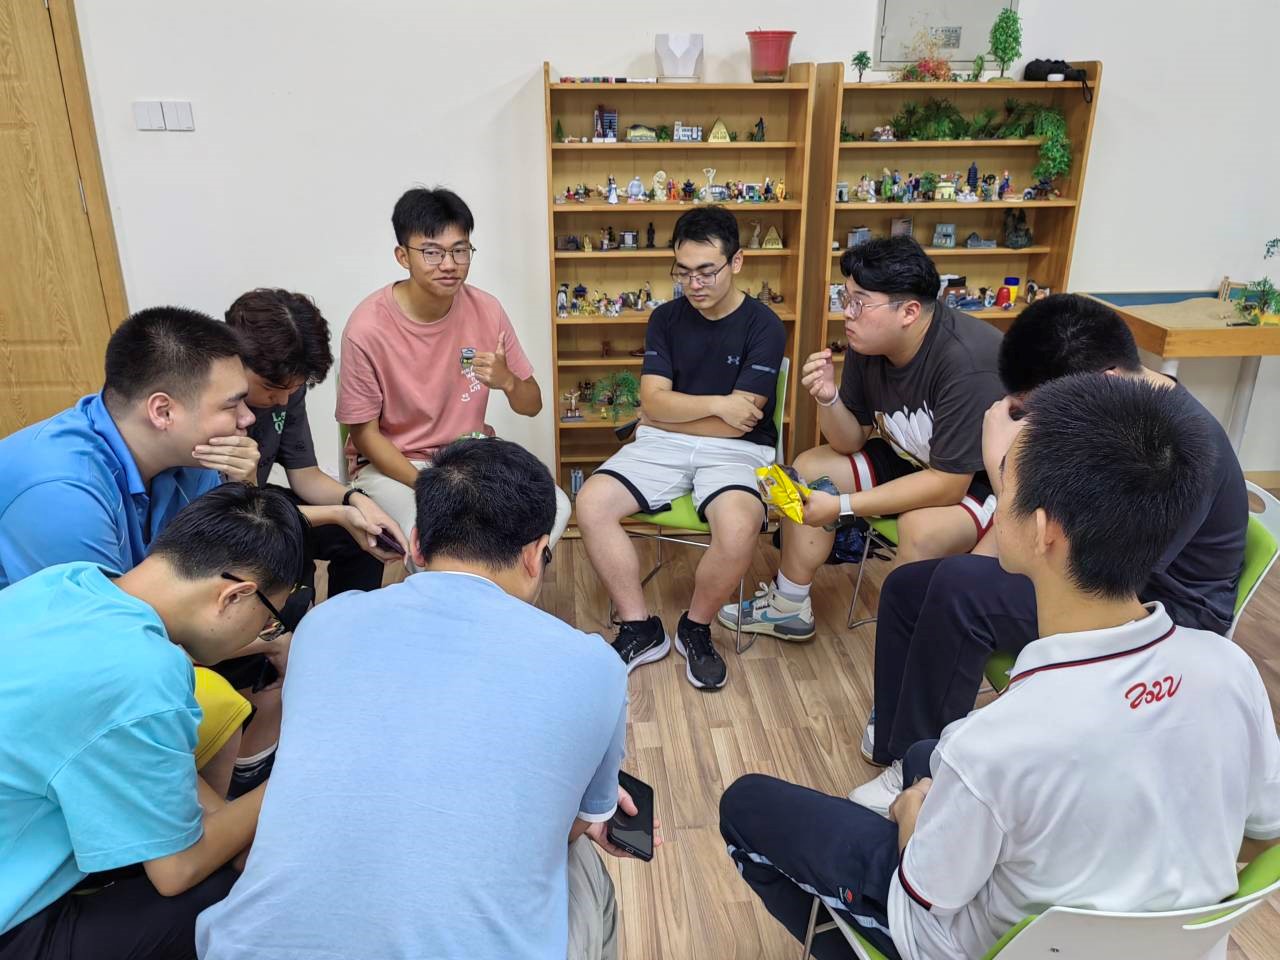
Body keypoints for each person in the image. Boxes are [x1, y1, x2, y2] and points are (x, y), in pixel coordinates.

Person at [720, 373, 1280, 960]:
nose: (993, 498)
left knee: (748, 804)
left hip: (960, 939)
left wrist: (912, 814)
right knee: (922, 755)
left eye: (1003, 482)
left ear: (1042, 531)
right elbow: (1260, 835)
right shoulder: (1229, 668)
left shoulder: (993, 743)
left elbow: (929, 887)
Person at [196, 439, 649, 960]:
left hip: (247, 948)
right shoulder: (593, 664)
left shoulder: (325, 623)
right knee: (585, 869)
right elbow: (573, 825)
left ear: (415, 544)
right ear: (534, 554)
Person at [850, 294, 1249, 813]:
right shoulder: (1117, 412)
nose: (1037, 420)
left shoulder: (1179, 444)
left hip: (1157, 610)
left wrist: (1001, 465)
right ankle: (899, 736)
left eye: (1042, 409)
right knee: (912, 583)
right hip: (1097, 568)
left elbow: (1092, 568)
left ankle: (920, 774)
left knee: (958, 593)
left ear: (1105, 379)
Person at [0, 483, 306, 960]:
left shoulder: (67, 581)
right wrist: (303, 776)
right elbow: (176, 872)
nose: (265, 634)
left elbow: (135, 754)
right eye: (269, 620)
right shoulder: (144, 672)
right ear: (235, 595)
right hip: (12, 920)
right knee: (249, 892)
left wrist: (225, 819)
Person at [0, 306, 266, 793]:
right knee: (209, 690)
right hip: (43, 674)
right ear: (163, 411)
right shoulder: (60, 489)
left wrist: (242, 486)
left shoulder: (190, 458)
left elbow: (220, 560)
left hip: (109, 638)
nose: (248, 418)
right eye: (232, 405)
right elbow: (105, 646)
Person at [719, 237, 1003, 643]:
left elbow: (948, 484)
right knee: (810, 468)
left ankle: (905, 649)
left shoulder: (966, 362)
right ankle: (788, 607)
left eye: (859, 303)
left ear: (908, 311)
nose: (847, 314)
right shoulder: (868, 341)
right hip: (914, 458)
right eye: (845, 298)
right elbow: (849, 441)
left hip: (986, 479)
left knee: (922, 529)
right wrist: (828, 398)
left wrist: (842, 506)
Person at [575, 205, 786, 690]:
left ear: (736, 262)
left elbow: (739, 425)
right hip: (663, 442)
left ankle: (695, 627)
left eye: (707, 271)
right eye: (683, 271)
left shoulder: (764, 325)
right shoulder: (666, 318)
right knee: (591, 503)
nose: (694, 283)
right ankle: (640, 627)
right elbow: (653, 400)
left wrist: (666, 412)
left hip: (737, 450)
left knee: (739, 526)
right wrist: (713, 405)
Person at [220, 288, 408, 796]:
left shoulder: (285, 392)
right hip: (225, 521)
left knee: (355, 536)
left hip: (256, 504)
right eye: (272, 390)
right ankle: (271, 695)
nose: (282, 401)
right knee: (291, 552)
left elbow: (303, 475)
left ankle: (342, 651)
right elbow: (236, 515)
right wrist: (342, 512)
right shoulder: (213, 407)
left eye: (295, 390)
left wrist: (354, 500)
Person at [336, 186, 570, 555]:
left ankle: (498, 589)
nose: (449, 264)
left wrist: (508, 381)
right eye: (432, 252)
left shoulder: (487, 310)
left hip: (469, 456)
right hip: (396, 464)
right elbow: (365, 435)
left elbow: (532, 405)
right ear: (402, 256)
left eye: (460, 250)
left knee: (555, 508)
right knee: (436, 537)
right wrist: (429, 484)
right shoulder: (367, 328)